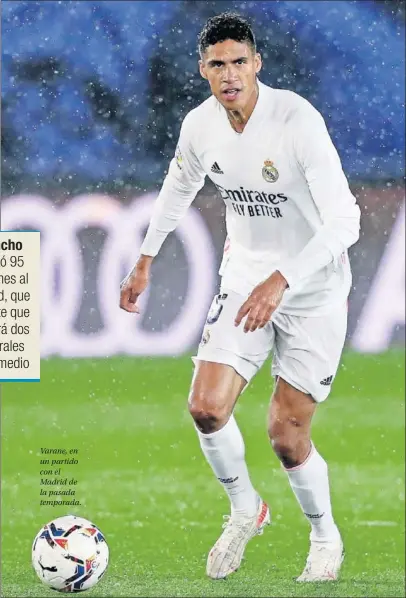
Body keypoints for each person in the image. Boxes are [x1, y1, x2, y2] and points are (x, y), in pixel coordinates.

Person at [120, 12, 360, 582]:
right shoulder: (200, 126)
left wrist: (284, 280)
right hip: (244, 280)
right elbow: (177, 188)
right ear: (202, 69)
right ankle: (245, 509)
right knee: (205, 407)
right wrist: (146, 258)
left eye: (238, 62)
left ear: (257, 64)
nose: (229, 74)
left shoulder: (296, 120)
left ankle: (325, 537)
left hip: (313, 290)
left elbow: (346, 219)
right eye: (217, 64)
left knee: (286, 435)